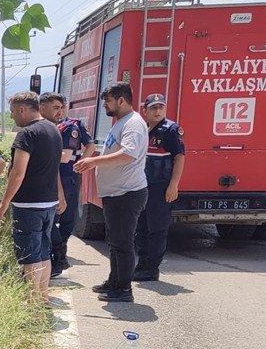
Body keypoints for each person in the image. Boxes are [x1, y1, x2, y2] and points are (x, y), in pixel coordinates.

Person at [73, 82, 148, 303]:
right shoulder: (122, 122)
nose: (105, 105)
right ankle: (114, 282)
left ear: (121, 100)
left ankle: (124, 289)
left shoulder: (133, 124)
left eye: (108, 101)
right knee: (115, 241)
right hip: (116, 194)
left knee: (123, 243)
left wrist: (93, 161)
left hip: (126, 194)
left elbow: (128, 154)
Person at [0, 91, 65, 302]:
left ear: (23, 109)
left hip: (28, 204)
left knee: (29, 254)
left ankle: (33, 300)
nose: (12, 116)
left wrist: (4, 202)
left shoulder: (27, 134)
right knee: (44, 250)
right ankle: (43, 296)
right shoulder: (54, 130)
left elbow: (18, 173)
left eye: (13, 112)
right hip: (49, 202)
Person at [40, 92, 97, 277]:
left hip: (66, 178)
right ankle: (57, 257)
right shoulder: (43, 127)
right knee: (51, 221)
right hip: (53, 178)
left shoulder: (70, 126)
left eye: (61, 107)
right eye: (55, 108)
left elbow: (73, 153)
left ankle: (59, 257)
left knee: (65, 221)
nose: (59, 111)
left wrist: (82, 162)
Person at [133, 93, 186, 282]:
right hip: (142, 185)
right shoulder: (143, 129)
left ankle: (151, 269)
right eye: (153, 108)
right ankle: (142, 264)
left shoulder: (170, 130)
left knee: (157, 228)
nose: (157, 111)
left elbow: (179, 157)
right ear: (145, 110)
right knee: (141, 227)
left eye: (160, 107)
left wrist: (174, 185)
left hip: (160, 186)